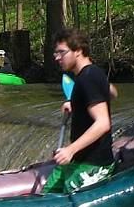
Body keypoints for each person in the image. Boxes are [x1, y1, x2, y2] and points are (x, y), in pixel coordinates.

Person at [43, 28, 114, 194]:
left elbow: (103, 123)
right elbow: (111, 91)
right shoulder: (87, 75)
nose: (57, 58)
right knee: (44, 198)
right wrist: (76, 103)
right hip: (77, 160)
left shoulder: (89, 77)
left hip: (93, 164)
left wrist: (70, 150)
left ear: (78, 51)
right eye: (56, 53)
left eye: (61, 52)